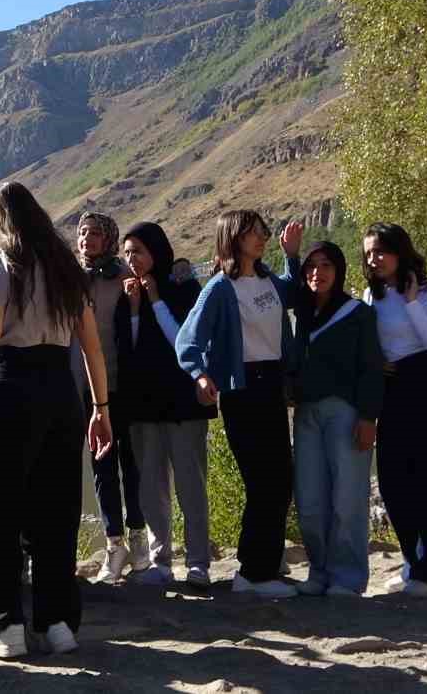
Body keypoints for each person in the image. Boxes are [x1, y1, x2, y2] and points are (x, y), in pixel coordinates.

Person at [0, 181, 113, 660]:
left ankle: (8, 627)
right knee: (55, 509)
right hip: (62, 389)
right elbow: (92, 346)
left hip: (13, 386)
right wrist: (101, 410)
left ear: (2, 220)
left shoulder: (1, 262)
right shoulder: (65, 266)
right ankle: (57, 624)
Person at [176, 211, 304, 600]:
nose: (261, 237)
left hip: (271, 387)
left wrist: (292, 256)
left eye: (262, 232)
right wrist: (200, 374)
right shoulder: (218, 288)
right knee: (262, 482)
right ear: (233, 238)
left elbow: (295, 295)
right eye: (252, 233)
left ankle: (262, 570)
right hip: (242, 390)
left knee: (280, 480)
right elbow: (188, 340)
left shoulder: (267, 280)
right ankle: (253, 573)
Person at [116, 222, 212, 589]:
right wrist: (137, 307)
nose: (131, 260)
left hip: (182, 404)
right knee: (151, 488)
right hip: (143, 403)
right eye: (126, 253)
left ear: (156, 250)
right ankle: (161, 561)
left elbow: (183, 343)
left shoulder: (184, 287)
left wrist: (155, 299)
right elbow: (132, 346)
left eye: (137, 251)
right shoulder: (129, 295)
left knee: (191, 485)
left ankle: (198, 562)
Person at [361, 223, 427, 597]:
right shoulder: (372, 295)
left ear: (400, 251)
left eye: (381, 250)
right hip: (393, 388)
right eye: (368, 253)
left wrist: (414, 301)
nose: (374, 258)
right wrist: (376, 361)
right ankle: (412, 561)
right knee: (393, 480)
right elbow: (370, 338)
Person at [291, 242, 383, 598]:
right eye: (311, 266)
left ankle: (348, 576)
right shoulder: (302, 313)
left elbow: (372, 368)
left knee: (347, 497)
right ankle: (319, 569)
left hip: (347, 413)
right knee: (310, 499)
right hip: (306, 415)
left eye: (326, 264)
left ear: (339, 270)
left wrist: (368, 417)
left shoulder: (357, 313)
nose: (318, 272)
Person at [70, 211, 149, 583]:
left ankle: (139, 539)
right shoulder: (68, 279)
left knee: (132, 464)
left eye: (96, 233)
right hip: (84, 387)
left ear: (110, 239)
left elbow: (139, 326)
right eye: (83, 232)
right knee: (102, 467)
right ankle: (114, 544)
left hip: (123, 383)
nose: (87, 238)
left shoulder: (124, 278)